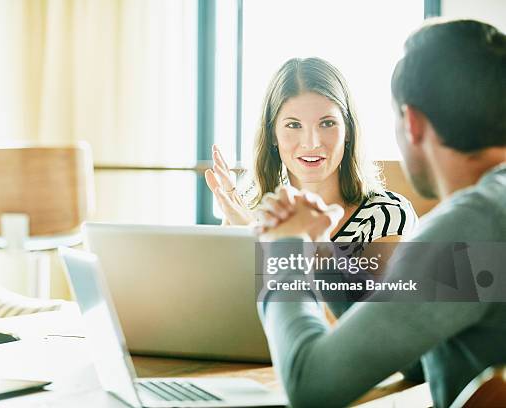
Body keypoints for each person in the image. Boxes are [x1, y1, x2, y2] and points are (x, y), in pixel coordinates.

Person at [255, 19, 506, 407]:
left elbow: (310, 386)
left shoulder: (471, 226)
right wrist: (321, 255)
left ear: (412, 123)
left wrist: (287, 246)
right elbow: (418, 355)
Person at [205, 57, 417, 259]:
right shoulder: (250, 215)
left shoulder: (388, 214)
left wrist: (263, 247)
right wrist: (241, 237)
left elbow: (364, 297)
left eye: (327, 123)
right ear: (272, 134)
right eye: (294, 125)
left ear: (348, 131)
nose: (311, 142)